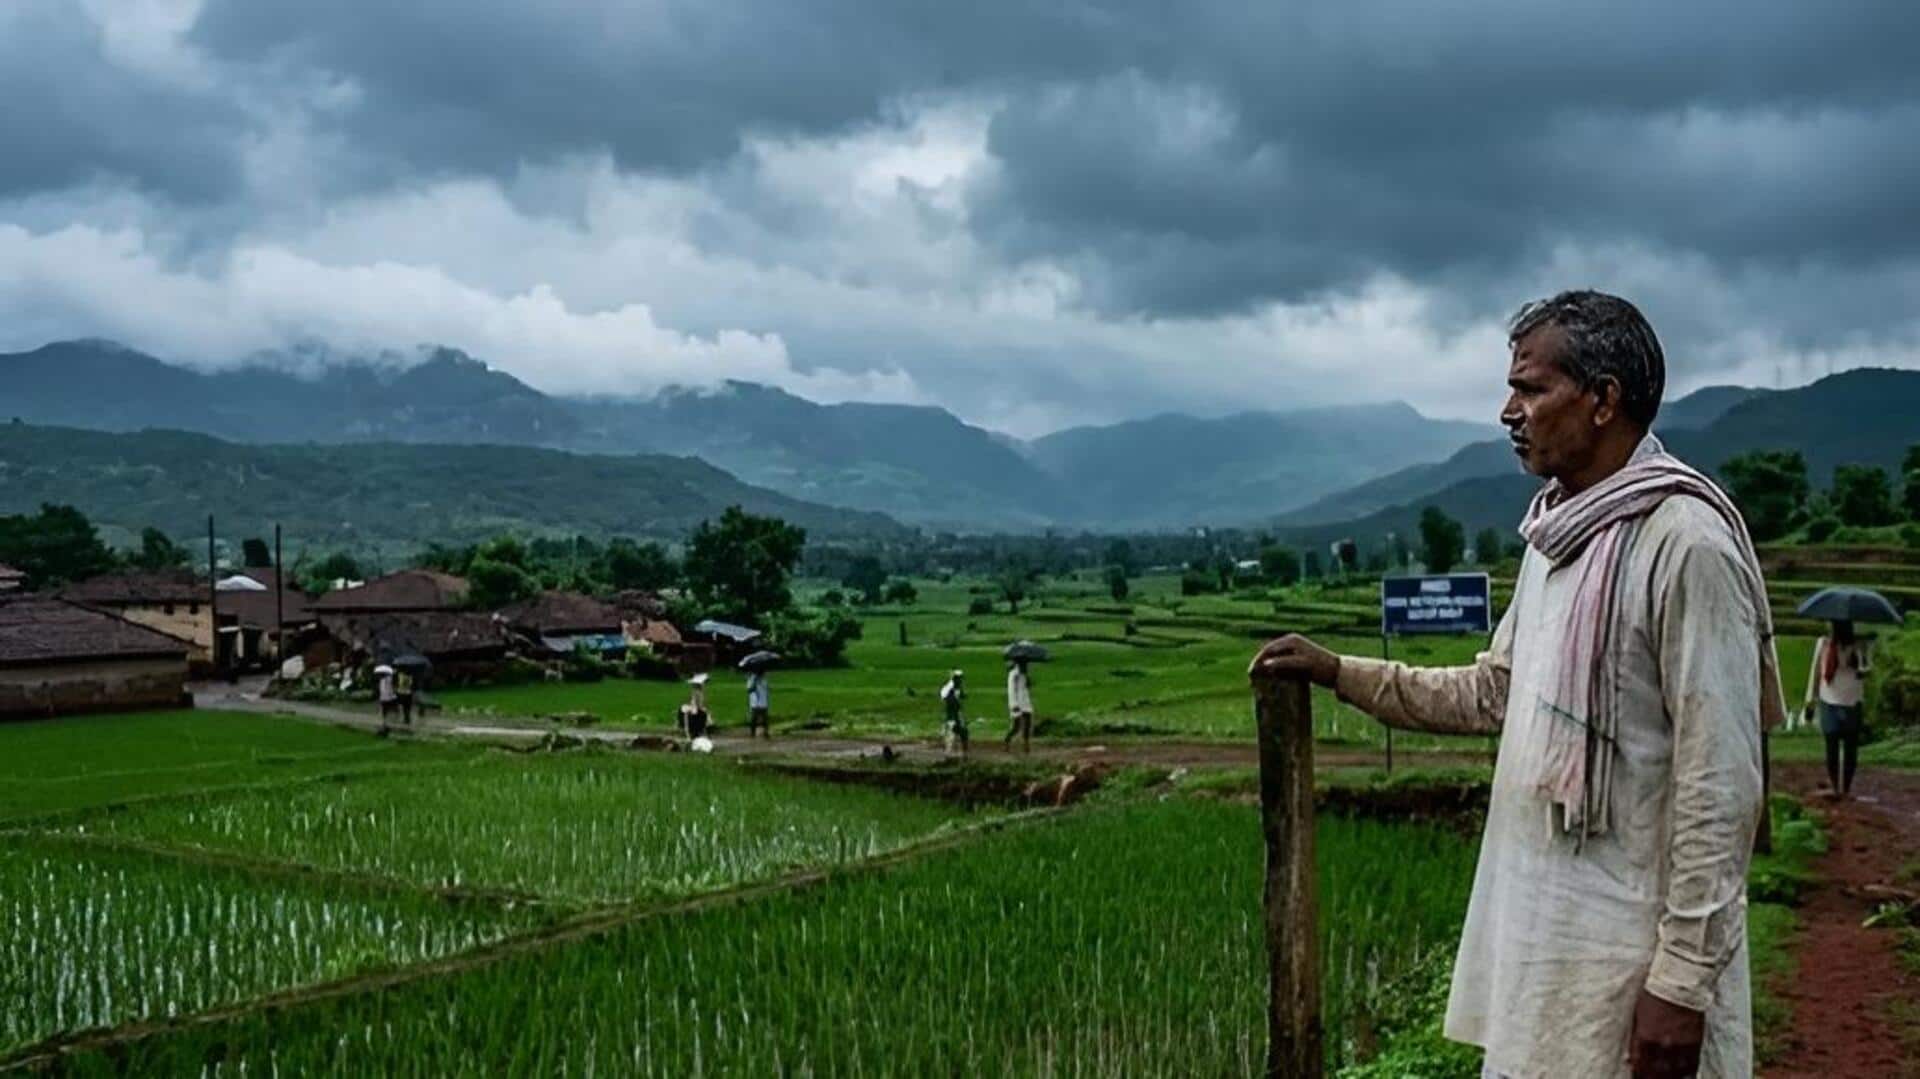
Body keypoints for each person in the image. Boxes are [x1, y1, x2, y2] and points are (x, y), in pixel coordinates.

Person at [1251, 291, 1782, 1079]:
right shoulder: (1555, 540)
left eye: (1531, 389)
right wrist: (1341, 673)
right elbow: (1496, 694)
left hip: (1634, 962)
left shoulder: (1686, 545)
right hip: (1546, 952)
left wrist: (1682, 981)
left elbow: (1721, 784)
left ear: (1603, 400)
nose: (1509, 411)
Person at [1805, 620, 1871, 798]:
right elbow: (1816, 672)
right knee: (1832, 744)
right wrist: (1810, 699)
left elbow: (1865, 670)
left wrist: (1857, 660)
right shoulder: (1824, 643)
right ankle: (1835, 786)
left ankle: (1846, 788)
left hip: (1852, 700)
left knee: (1850, 748)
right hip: (1829, 699)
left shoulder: (1859, 646)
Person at [1005, 659, 1034, 752]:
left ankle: (1026, 744)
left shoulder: (1024, 674)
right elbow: (1011, 690)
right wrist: (1014, 704)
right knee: (1016, 726)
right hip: (1017, 702)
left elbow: (1026, 687)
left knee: (1028, 723)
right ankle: (1007, 740)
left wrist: (1028, 681)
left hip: (1025, 701)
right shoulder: (1013, 674)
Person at [940, 669, 968, 755]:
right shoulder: (950, 687)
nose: (961, 680)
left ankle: (963, 750)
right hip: (952, 714)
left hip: (955, 713)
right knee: (953, 732)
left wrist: (962, 696)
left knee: (963, 731)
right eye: (959, 678)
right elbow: (946, 698)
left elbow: (959, 694)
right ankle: (948, 752)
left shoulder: (956, 686)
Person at [679, 673, 712, 742]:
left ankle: (694, 731)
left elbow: (701, 703)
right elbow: (694, 702)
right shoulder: (696, 692)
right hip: (695, 709)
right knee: (686, 711)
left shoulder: (699, 692)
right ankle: (689, 732)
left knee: (690, 712)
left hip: (698, 710)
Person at [745, 668, 771, 739]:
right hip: (755, 702)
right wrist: (754, 683)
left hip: (763, 702)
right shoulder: (752, 679)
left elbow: (767, 689)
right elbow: (749, 689)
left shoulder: (764, 679)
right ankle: (752, 733)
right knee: (754, 719)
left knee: (765, 719)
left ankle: (766, 732)